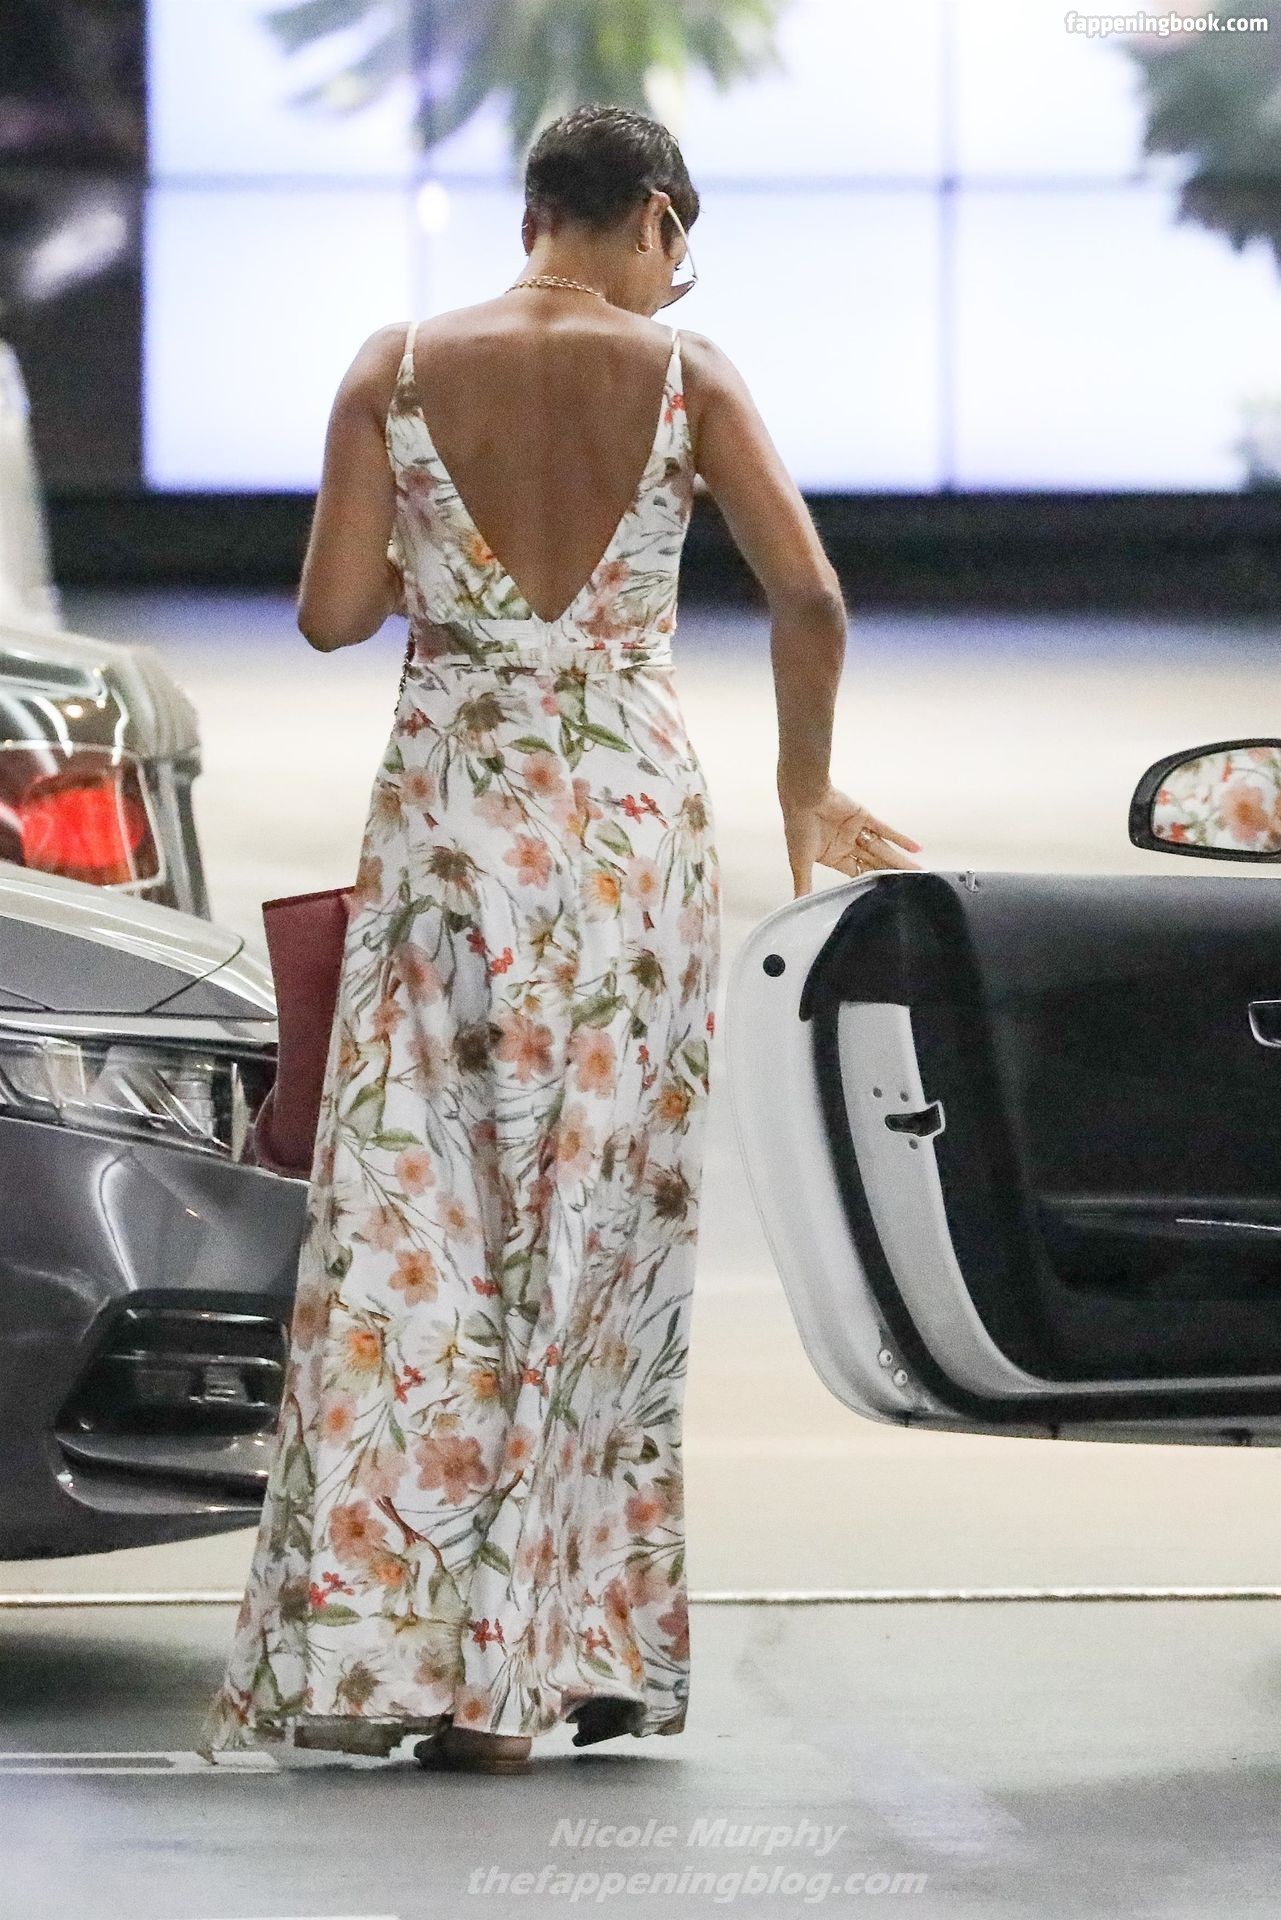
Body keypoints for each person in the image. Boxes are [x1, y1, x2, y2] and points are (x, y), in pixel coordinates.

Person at [196, 102, 922, 1779]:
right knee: (591, 1226)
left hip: (450, 817)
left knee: (419, 1231)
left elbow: (330, 614)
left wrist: (446, 575)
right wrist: (804, 788)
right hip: (618, 830)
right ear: (654, 215)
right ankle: (526, 1675)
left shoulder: (392, 364)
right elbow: (809, 596)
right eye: (681, 253)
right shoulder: (686, 375)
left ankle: (388, 1647)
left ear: (533, 212)